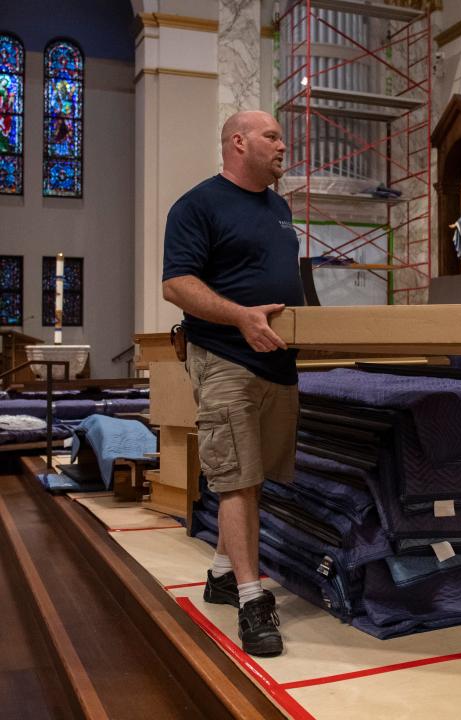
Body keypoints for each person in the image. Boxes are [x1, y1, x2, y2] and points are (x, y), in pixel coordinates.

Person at [162, 110, 303, 658]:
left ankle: (222, 573)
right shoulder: (198, 205)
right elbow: (177, 284)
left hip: (277, 360)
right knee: (237, 480)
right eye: (272, 136)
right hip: (225, 357)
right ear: (238, 143)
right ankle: (250, 599)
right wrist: (241, 317)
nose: (282, 145)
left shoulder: (280, 208)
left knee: (254, 476)